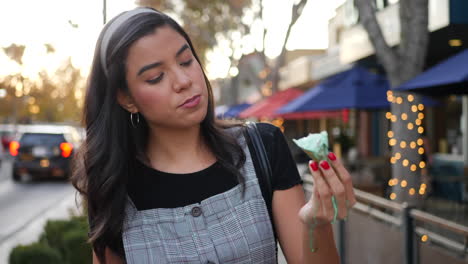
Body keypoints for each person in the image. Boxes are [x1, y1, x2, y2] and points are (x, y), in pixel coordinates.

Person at [72, 7, 356, 264]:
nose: (184, 81)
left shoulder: (263, 148)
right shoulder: (112, 185)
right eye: (156, 77)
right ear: (126, 99)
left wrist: (316, 224)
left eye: (186, 61)